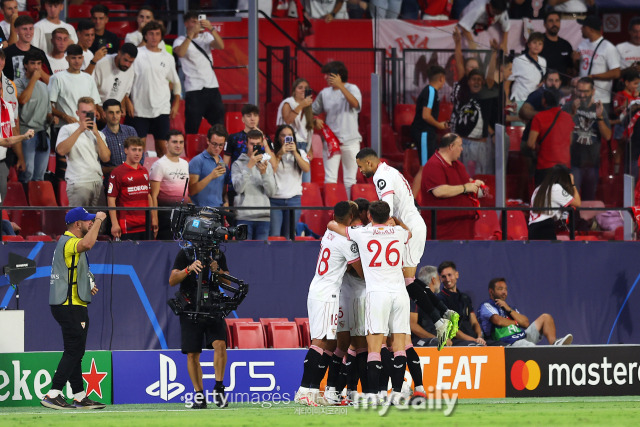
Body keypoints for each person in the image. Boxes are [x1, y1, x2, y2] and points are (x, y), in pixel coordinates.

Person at [354, 147, 457, 350]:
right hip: (414, 224)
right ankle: (445, 312)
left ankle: (440, 321)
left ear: (369, 163)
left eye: (360, 166)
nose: (360, 171)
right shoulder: (390, 171)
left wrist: (369, 231)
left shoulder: (380, 177)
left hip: (408, 227)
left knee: (407, 281)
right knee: (408, 279)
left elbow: (386, 210)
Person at [295, 201, 362, 407]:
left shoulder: (330, 231)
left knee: (329, 343)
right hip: (327, 294)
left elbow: (336, 223)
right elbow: (360, 270)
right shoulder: (346, 242)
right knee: (320, 341)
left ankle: (314, 390)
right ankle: (304, 390)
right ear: (350, 218)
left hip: (319, 289)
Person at [40, 207, 107, 410]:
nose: (90, 223)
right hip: (68, 305)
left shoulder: (68, 243)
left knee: (76, 351)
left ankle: (79, 396)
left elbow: (76, 270)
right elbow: (88, 244)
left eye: (91, 221)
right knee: (74, 350)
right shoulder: (70, 241)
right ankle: (53, 393)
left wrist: (88, 283)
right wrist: (99, 220)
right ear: (77, 224)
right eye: (87, 221)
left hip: (71, 304)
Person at [345, 200, 410, 404]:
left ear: (370, 216)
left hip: (378, 294)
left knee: (374, 348)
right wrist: (396, 221)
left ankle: (374, 394)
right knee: (399, 346)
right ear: (388, 216)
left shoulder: (362, 233)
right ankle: (398, 393)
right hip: (399, 293)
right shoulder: (399, 232)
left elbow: (340, 229)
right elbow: (408, 232)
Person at [169, 244, 231, 408]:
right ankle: (199, 396)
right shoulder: (186, 253)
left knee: (220, 344)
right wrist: (189, 269)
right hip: (190, 306)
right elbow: (172, 280)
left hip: (213, 304)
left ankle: (219, 388)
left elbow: (227, 281)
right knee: (192, 354)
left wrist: (217, 271)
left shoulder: (217, 254)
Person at [130, 21, 181, 157]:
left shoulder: (168, 57)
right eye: (151, 34)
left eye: (157, 34)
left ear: (161, 36)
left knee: (162, 150)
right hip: (139, 109)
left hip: (162, 109)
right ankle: (137, 177)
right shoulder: (136, 54)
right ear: (145, 36)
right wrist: (126, 100)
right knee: (137, 150)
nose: (154, 37)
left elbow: (176, 82)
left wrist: (176, 104)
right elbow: (127, 80)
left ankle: (161, 178)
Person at [420, 133, 486, 240]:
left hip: (464, 230)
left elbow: (464, 182)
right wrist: (465, 187)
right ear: (451, 146)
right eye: (459, 145)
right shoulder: (433, 165)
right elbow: (439, 190)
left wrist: (474, 183)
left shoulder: (458, 165)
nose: (462, 149)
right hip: (444, 233)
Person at [312, 60, 362, 198]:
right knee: (330, 178)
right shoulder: (324, 93)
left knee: (350, 179)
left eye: (328, 75)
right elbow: (312, 111)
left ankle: (349, 209)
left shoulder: (353, 88)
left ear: (338, 75)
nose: (325, 78)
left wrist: (340, 86)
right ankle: (332, 210)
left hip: (351, 141)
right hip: (331, 140)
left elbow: (356, 105)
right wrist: (314, 119)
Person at [476, 277, 573, 346]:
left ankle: (554, 344)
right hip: (508, 342)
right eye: (500, 289)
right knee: (529, 346)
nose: (504, 292)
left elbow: (526, 323)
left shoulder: (509, 307)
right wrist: (515, 322)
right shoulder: (486, 305)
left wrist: (509, 309)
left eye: (505, 289)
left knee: (546, 318)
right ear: (491, 291)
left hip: (522, 336)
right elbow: (498, 321)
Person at [173, 11, 225, 135]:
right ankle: (190, 152)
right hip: (194, 89)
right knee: (192, 125)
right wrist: (190, 35)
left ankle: (219, 150)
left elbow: (221, 46)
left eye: (198, 21)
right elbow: (180, 52)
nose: (197, 24)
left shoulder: (206, 37)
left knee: (219, 125)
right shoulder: (179, 40)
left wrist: (211, 28)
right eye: (193, 21)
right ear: (186, 23)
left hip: (212, 87)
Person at [562, 77, 611, 200]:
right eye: (579, 91)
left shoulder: (599, 108)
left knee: (589, 200)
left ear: (593, 91)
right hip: (573, 162)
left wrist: (599, 117)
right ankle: (573, 219)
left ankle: (586, 220)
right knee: (572, 199)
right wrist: (572, 113)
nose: (582, 95)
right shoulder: (568, 107)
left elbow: (608, 135)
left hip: (592, 163)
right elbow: (561, 133)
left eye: (586, 92)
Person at [56, 97, 110, 207]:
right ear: (77, 113)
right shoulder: (68, 129)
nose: (87, 115)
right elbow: (61, 151)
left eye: (90, 112)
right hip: (78, 182)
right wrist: (80, 129)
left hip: (97, 182)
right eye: (84, 112)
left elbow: (106, 158)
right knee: (80, 222)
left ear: (95, 113)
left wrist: (96, 134)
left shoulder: (99, 133)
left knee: (99, 222)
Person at [16, 51, 56, 183]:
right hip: (26, 133)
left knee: (39, 175)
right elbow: (23, 100)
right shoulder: (18, 83)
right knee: (27, 172)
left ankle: (35, 203)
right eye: (32, 63)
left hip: (43, 133)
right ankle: (23, 202)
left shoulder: (44, 86)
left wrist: (51, 118)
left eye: (39, 64)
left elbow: (48, 110)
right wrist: (33, 79)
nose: (36, 67)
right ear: (25, 65)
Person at [230, 130, 276, 240]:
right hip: (244, 216)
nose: (254, 147)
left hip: (263, 217)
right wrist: (249, 166)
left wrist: (264, 174)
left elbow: (271, 192)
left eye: (258, 144)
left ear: (261, 145)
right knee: (244, 253)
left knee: (261, 253)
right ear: (246, 144)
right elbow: (238, 189)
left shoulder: (267, 165)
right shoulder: (238, 164)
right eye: (252, 144)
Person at [107, 136, 155, 240]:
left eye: (140, 150)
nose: (137, 153)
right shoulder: (117, 172)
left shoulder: (144, 171)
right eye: (134, 150)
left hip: (146, 225)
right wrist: (114, 224)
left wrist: (154, 219)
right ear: (126, 150)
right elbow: (111, 199)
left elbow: (148, 196)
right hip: (127, 226)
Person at [526, 90, 575, 186]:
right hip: (564, 166)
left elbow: (530, 143)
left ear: (544, 101)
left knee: (543, 199)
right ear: (559, 101)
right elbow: (570, 141)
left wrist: (538, 147)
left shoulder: (539, 117)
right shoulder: (568, 117)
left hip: (545, 166)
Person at [269, 124, 310, 238]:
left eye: (289, 136)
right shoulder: (273, 152)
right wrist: (280, 154)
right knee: (274, 236)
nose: (286, 138)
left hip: (294, 199)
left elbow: (306, 168)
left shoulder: (300, 152)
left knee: (289, 237)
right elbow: (272, 169)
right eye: (283, 135)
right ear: (278, 137)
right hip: (275, 199)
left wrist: (295, 153)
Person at [48, 44, 102, 128]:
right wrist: (64, 116)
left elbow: (94, 103)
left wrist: (96, 111)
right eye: (73, 58)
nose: (77, 61)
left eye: (79, 58)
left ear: (83, 58)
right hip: (65, 127)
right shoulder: (57, 78)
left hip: (87, 128)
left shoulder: (89, 78)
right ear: (67, 59)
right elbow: (48, 105)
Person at [437, 261, 489, 346]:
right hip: (458, 341)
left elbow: (474, 322)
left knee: (499, 346)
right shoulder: (440, 299)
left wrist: (480, 337)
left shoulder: (465, 298)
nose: (447, 279)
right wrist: (474, 341)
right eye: (443, 277)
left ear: (457, 274)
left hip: (475, 339)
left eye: (450, 275)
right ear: (440, 278)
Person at [150, 130, 189, 240]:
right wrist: (155, 218)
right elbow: (153, 196)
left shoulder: (185, 164)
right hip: (165, 219)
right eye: (175, 142)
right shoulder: (159, 164)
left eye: (181, 142)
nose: (178, 145)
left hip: (182, 217)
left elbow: (185, 192)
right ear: (166, 143)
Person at [575, 15, 620, 112]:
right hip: (582, 97)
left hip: (600, 98)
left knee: (599, 125)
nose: (581, 29)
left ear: (590, 29)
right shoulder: (582, 44)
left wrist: (594, 76)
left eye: (584, 27)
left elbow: (616, 73)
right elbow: (578, 68)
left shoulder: (608, 47)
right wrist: (574, 60)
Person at [276, 77, 314, 182]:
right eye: (300, 87)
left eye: (306, 88)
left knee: (306, 181)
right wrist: (301, 105)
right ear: (294, 91)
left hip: (304, 146)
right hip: (290, 144)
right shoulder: (287, 103)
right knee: (291, 179)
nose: (303, 90)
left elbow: (308, 130)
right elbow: (288, 120)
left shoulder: (308, 106)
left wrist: (310, 148)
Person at [528, 164, 581, 240]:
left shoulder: (539, 188)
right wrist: (573, 184)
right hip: (545, 228)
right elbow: (577, 203)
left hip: (532, 230)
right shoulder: (556, 188)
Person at [410, 65, 448, 166]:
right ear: (441, 78)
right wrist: (439, 125)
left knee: (429, 167)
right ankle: (417, 183)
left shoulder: (430, 91)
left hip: (426, 133)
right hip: (424, 132)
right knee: (425, 167)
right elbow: (426, 115)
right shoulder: (430, 91)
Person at [100, 99, 138, 190]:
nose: (115, 116)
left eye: (117, 112)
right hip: (112, 182)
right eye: (111, 113)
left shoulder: (130, 131)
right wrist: (118, 169)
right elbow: (99, 167)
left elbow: (140, 156)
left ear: (121, 113)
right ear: (104, 114)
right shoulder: (100, 136)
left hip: (133, 178)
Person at [188, 124, 229, 208]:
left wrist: (225, 201)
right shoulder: (197, 161)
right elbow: (191, 190)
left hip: (217, 213)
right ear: (208, 141)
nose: (217, 148)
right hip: (200, 213)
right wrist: (211, 176)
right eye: (214, 144)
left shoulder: (222, 163)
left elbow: (223, 189)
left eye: (221, 145)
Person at [0, 102, 34, 202]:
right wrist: (24, 136)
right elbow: (6, 141)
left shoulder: (6, 107)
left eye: (1, 89)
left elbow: (8, 139)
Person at [3, 15, 51, 83]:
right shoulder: (6, 53)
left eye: (31, 28)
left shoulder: (39, 53)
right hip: (13, 92)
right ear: (16, 30)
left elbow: (51, 81)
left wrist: (39, 70)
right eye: (24, 29)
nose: (28, 32)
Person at [93, 43, 137, 116]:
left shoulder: (130, 69)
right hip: (98, 112)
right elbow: (90, 91)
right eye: (125, 60)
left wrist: (123, 105)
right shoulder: (101, 63)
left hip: (114, 112)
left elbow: (124, 91)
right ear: (119, 53)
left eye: (131, 62)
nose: (127, 65)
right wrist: (100, 110)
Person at [509, 32, 547, 108]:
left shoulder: (543, 61)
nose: (537, 46)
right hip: (519, 99)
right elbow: (508, 80)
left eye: (540, 44)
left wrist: (542, 83)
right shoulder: (518, 60)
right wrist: (507, 100)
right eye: (534, 43)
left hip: (535, 100)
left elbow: (542, 78)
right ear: (529, 44)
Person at [540, 12, 575, 86]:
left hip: (562, 88)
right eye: (551, 21)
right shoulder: (539, 43)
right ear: (545, 24)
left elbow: (570, 69)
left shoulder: (566, 45)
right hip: (542, 87)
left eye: (557, 21)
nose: (554, 24)